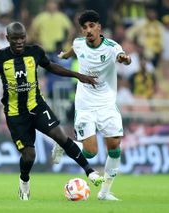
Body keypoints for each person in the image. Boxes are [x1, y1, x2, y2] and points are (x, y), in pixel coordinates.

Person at [0, 22, 104, 201]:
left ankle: (90, 172)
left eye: (22, 38)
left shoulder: (35, 52)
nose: (19, 42)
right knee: (29, 156)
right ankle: (24, 181)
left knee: (61, 137)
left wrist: (78, 75)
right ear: (8, 39)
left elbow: (52, 66)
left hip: (37, 106)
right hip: (15, 114)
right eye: (15, 39)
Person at [53, 10, 131, 201]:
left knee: (114, 145)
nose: (88, 30)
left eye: (91, 26)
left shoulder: (112, 47)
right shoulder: (79, 43)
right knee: (91, 152)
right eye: (84, 27)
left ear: (99, 27)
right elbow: (73, 50)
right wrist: (64, 55)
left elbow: (122, 56)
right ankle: (63, 144)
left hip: (107, 104)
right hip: (85, 104)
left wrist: (125, 59)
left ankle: (104, 193)